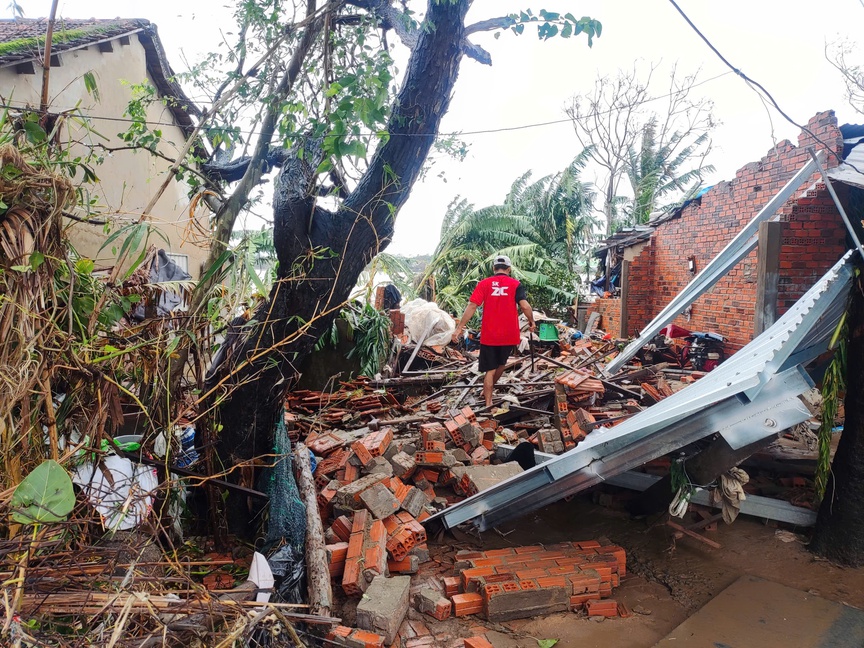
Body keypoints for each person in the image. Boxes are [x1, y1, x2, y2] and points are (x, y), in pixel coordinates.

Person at [451, 254, 536, 407]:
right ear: (509, 269)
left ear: (494, 269)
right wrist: (531, 321)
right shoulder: (516, 284)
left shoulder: (484, 284)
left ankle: (488, 403)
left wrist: (459, 328)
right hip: (509, 334)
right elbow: (525, 306)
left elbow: (472, 306)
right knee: (501, 364)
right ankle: (488, 392)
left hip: (490, 334)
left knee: (490, 370)